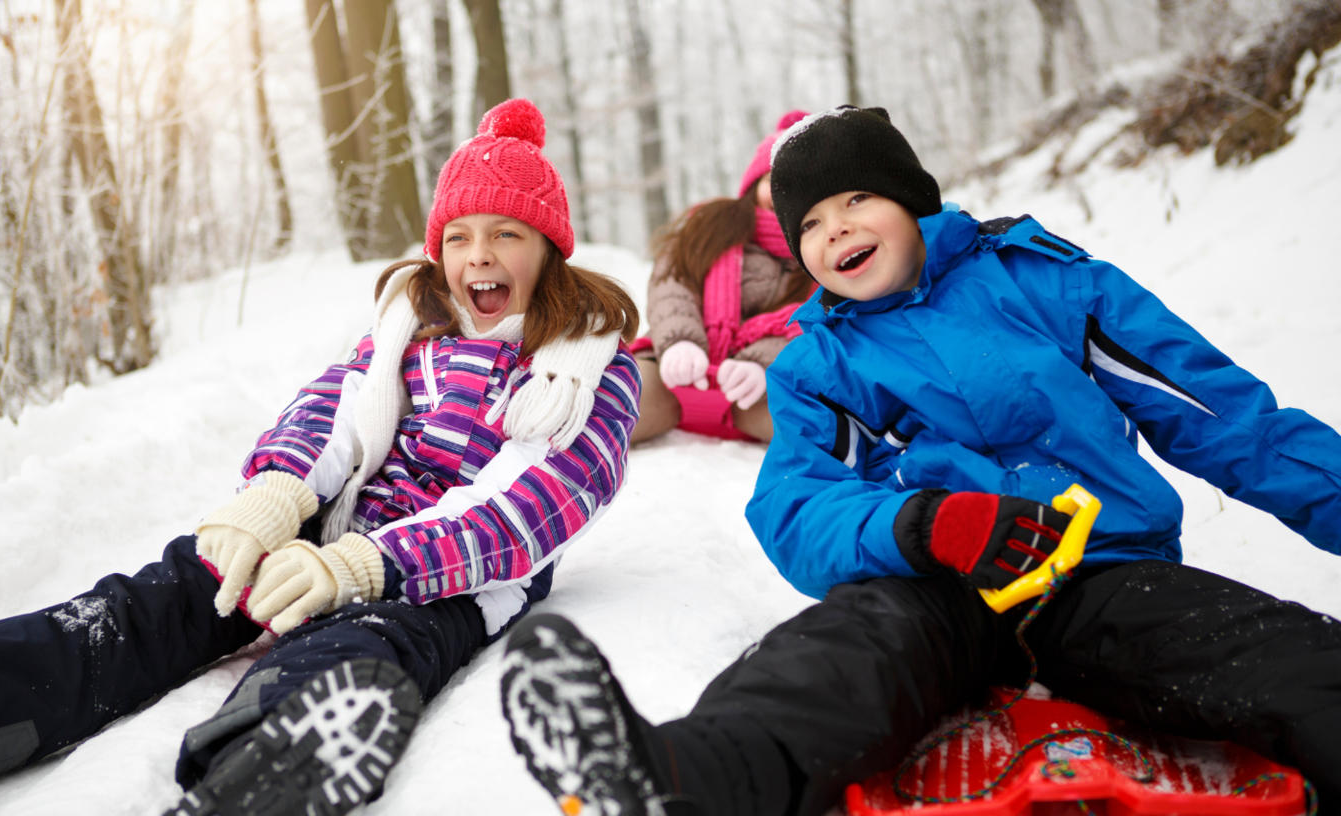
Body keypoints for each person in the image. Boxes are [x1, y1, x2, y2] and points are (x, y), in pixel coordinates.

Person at [496, 105, 1341, 816]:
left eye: (857, 198)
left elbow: (1227, 417)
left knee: (1263, 652)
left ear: (912, 201)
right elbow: (795, 505)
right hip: (935, 586)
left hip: (1101, 569)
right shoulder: (818, 363)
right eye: (812, 224)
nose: (837, 231)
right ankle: (684, 779)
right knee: (839, 656)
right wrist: (923, 524)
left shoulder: (1047, 282)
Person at [0, 98, 641, 816]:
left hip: (447, 581)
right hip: (333, 526)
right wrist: (277, 494)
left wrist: (365, 566)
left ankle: (266, 767)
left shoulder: (586, 369)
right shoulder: (409, 332)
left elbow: (525, 510)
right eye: (459, 236)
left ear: (549, 247)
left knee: (357, 647)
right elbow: (334, 413)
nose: (478, 254)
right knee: (159, 601)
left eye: (506, 233)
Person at [630, 111, 814, 443]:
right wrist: (678, 340)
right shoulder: (713, 223)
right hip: (670, 368)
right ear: (754, 182)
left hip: (757, 389)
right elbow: (674, 279)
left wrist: (763, 364)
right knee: (615, 403)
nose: (784, 192)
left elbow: (810, 325)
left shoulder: (818, 255)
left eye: (799, 184)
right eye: (775, 180)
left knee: (816, 430)